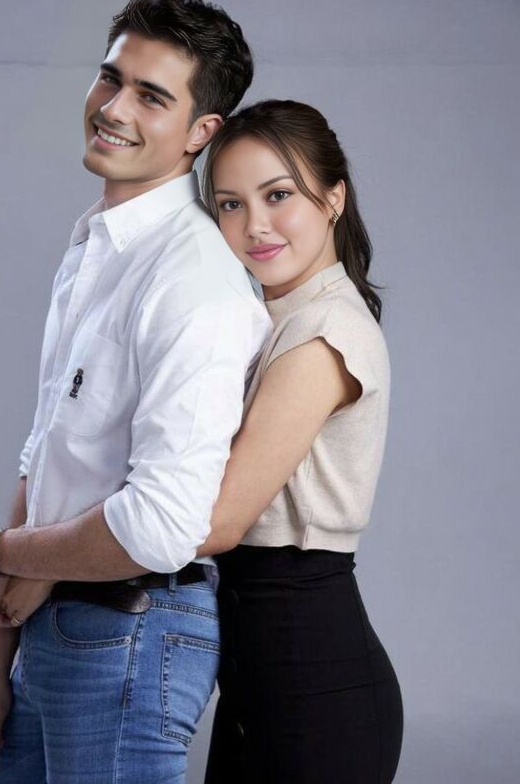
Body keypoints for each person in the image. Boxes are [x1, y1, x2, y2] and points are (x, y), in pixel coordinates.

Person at [0, 0, 271, 783]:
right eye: (110, 78)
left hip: (132, 626)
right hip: (56, 625)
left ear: (202, 131)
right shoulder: (99, 245)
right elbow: (48, 455)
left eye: (151, 96)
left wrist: (1, 550)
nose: (114, 108)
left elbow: (162, 524)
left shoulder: (193, 279)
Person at [194, 99, 404, 782]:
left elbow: (217, 521)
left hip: (317, 688)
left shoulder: (323, 332)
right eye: (230, 204)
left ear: (333, 197)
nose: (254, 224)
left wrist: (43, 557)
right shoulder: (264, 323)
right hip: (260, 683)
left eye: (278, 195)